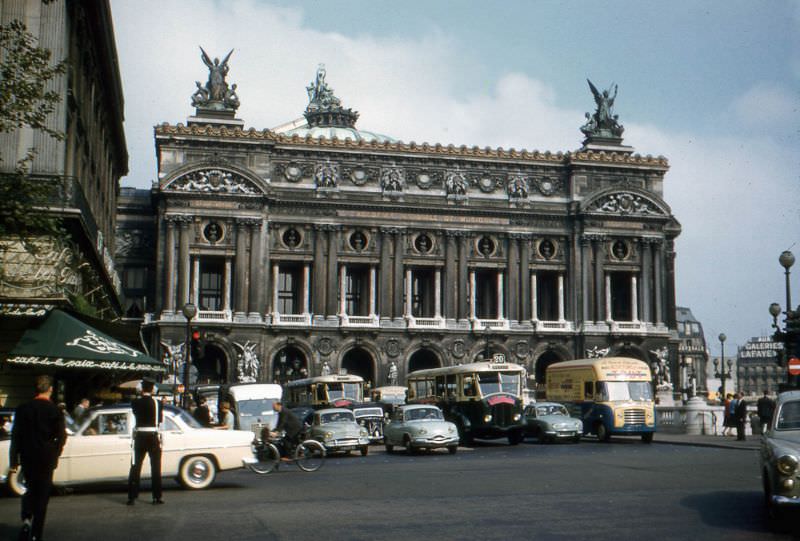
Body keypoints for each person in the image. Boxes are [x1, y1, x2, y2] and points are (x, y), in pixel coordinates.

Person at [9, 375, 67, 541]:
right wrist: (56, 452)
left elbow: (16, 436)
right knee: (42, 495)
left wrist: (14, 460)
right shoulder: (55, 410)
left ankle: (26, 519)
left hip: (28, 456)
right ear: (50, 390)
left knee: (30, 490)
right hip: (47, 457)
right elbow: (62, 437)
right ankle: (36, 533)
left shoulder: (22, 409)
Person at [127, 378, 164, 505]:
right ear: (153, 389)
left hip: (140, 436)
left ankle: (132, 497)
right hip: (153, 436)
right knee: (156, 467)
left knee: (135, 466)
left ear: (141, 389)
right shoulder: (158, 403)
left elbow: (135, 414)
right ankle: (156, 497)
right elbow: (160, 421)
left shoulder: (135, 402)